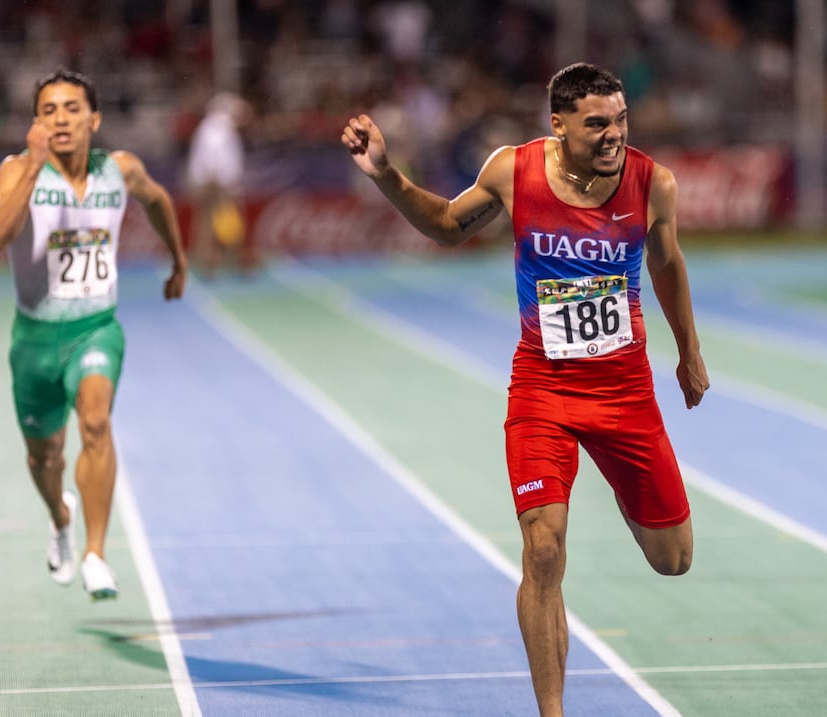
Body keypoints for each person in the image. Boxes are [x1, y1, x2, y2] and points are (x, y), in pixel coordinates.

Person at [342, 62, 708, 716]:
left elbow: (668, 262)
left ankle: (628, 497)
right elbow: (449, 226)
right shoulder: (515, 171)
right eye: (596, 123)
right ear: (558, 124)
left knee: (674, 558)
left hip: (625, 396)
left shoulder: (656, 185)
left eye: (620, 120)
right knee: (543, 548)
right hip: (543, 390)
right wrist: (386, 175)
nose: (612, 134)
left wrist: (689, 352)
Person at [0, 68, 187, 601]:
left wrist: (179, 261)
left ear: (93, 119)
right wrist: (31, 162)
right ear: (35, 123)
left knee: (96, 421)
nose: (60, 119)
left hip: (96, 327)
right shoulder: (17, 170)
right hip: (33, 342)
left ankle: (97, 554)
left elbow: (160, 200)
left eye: (71, 108)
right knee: (43, 457)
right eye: (48, 110)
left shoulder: (120, 170)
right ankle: (60, 516)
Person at [185, 91, 255, 275]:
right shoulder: (219, 127)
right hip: (218, 182)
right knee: (219, 220)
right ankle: (226, 260)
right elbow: (214, 157)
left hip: (213, 180)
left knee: (212, 221)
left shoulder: (212, 126)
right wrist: (218, 182)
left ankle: (212, 260)